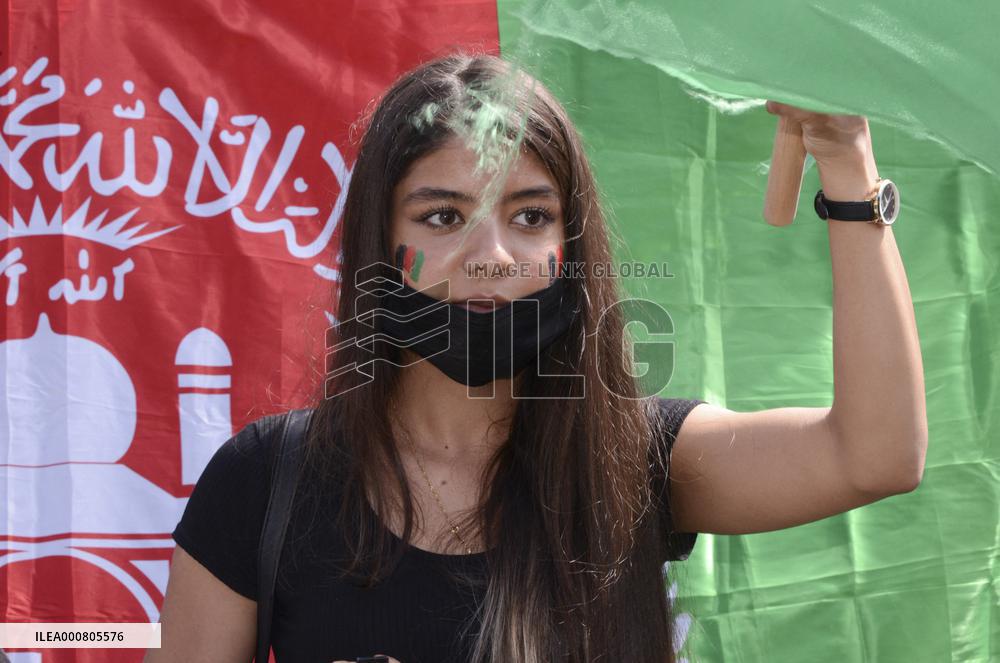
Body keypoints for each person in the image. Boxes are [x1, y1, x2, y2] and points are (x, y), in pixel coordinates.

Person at [148, 51, 926, 663]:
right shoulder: (264, 480)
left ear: (571, 244)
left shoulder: (638, 457)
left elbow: (875, 454)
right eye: (444, 214)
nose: (490, 255)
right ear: (379, 243)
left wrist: (849, 165)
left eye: (529, 215)